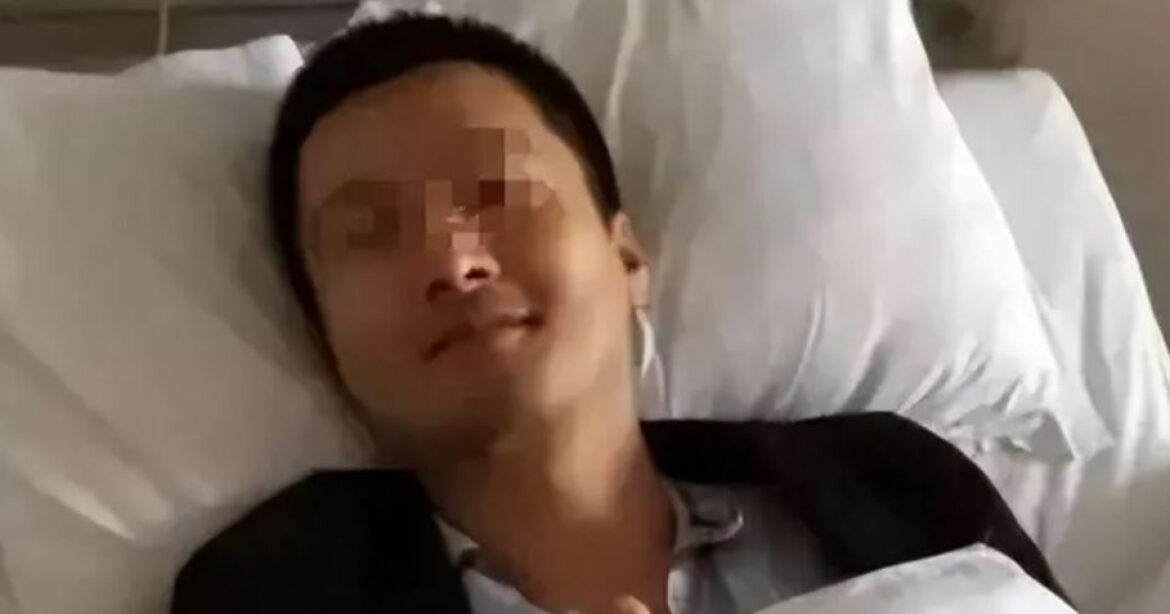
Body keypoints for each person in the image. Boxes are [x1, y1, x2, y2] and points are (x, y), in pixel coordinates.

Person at [171, 13, 1069, 614]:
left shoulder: (894, 485)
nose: (452, 259)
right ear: (326, 335)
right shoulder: (267, 592)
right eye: (368, 235)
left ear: (627, 258)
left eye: (501, 193)